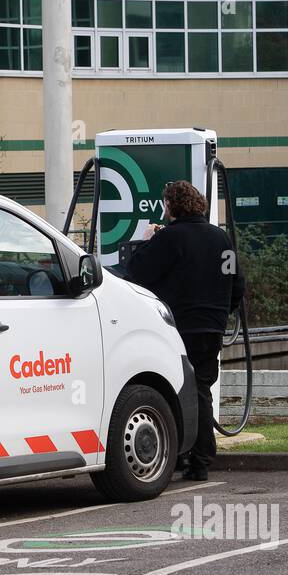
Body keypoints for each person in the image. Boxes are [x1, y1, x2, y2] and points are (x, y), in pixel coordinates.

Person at [126, 180, 244, 481]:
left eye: (165, 203)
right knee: (201, 390)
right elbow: (237, 286)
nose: (164, 208)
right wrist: (219, 313)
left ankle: (190, 456)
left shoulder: (170, 238)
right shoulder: (221, 239)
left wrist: (146, 240)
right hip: (212, 327)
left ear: (171, 206)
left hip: (179, 328)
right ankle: (198, 458)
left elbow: (136, 272)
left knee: (177, 389)